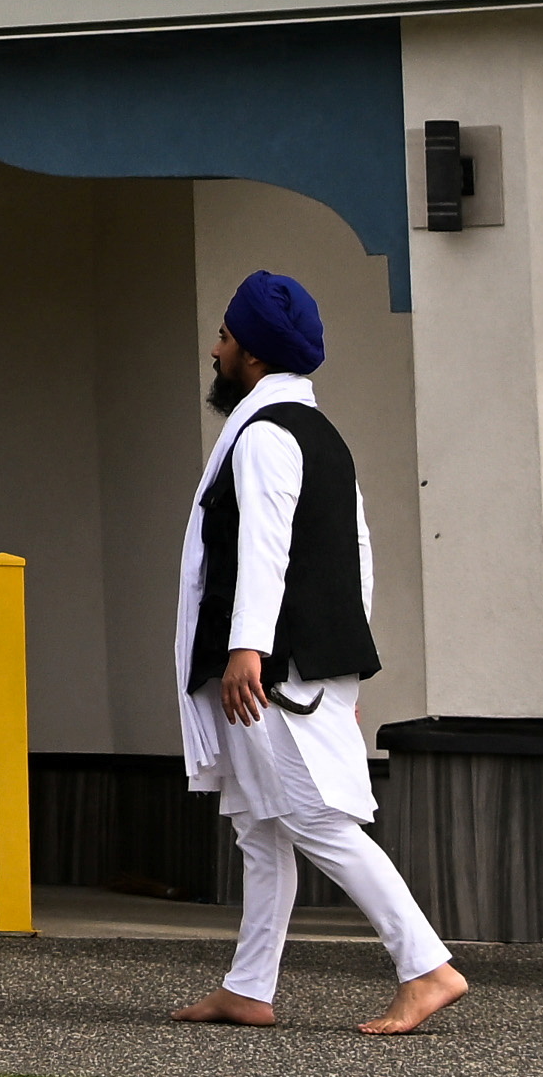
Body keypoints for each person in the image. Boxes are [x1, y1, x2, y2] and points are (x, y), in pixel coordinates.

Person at [174, 271, 469, 1037]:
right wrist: (341, 662)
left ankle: (425, 965)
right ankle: (248, 986)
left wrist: (248, 651)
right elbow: (354, 557)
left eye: (226, 338)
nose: (216, 349)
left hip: (274, 669)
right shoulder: (321, 436)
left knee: (314, 817)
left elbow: (266, 550)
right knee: (263, 827)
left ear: (253, 354)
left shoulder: (267, 435)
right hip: (306, 661)